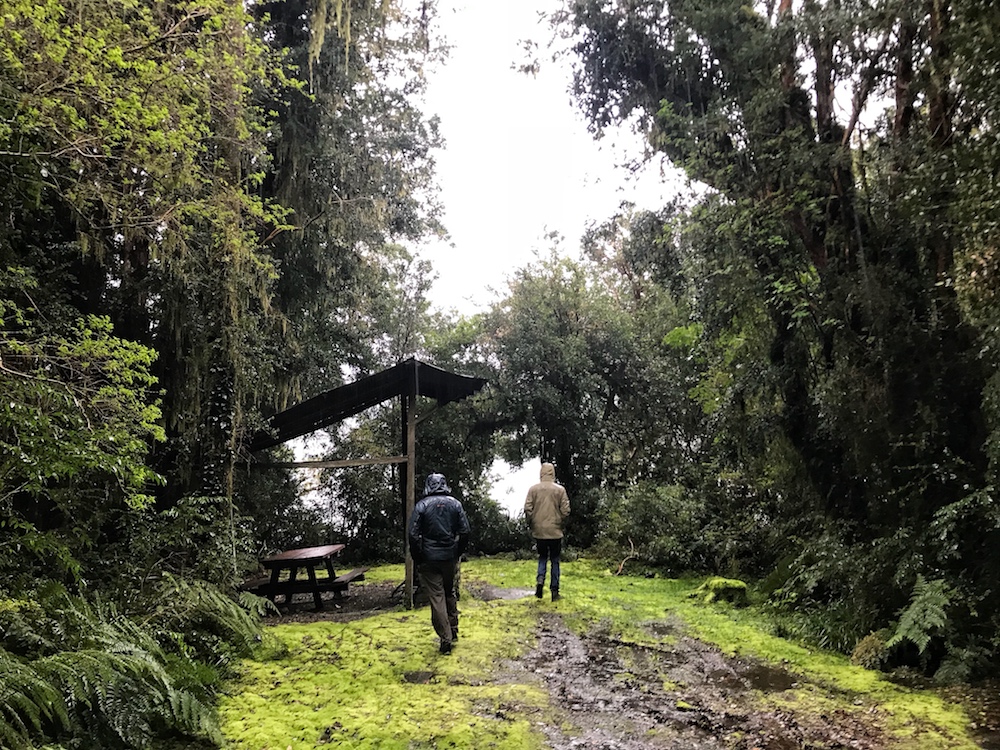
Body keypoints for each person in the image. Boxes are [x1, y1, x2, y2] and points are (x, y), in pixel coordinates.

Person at [408, 473, 470, 654]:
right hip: (449, 557)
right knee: (449, 591)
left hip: (428, 558)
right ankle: (454, 629)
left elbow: (412, 534)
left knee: (437, 597)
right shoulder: (455, 504)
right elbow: (465, 531)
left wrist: (418, 556)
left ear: (428, 485)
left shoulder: (422, 505)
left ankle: (445, 638)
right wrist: (457, 551)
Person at [524, 462, 571, 601]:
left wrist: (532, 522)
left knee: (542, 557)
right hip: (555, 531)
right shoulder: (560, 490)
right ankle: (554, 591)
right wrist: (560, 521)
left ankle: (540, 581)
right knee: (555, 560)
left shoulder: (533, 489)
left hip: (539, 531)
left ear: (541, 473)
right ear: (553, 473)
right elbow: (566, 510)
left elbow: (527, 508)